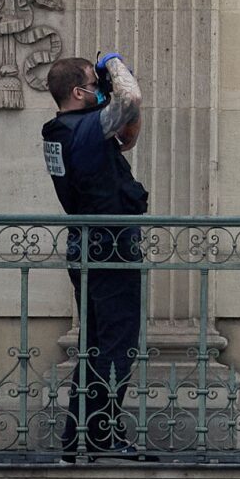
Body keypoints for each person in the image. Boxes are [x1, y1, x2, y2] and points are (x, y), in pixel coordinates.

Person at [41, 53, 146, 457]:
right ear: (78, 92)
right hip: (109, 247)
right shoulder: (80, 130)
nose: (100, 87)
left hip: (89, 245)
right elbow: (130, 99)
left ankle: (79, 435)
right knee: (117, 346)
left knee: (96, 345)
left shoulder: (64, 131)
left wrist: (106, 87)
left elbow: (128, 133)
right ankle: (102, 437)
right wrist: (114, 65)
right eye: (93, 82)